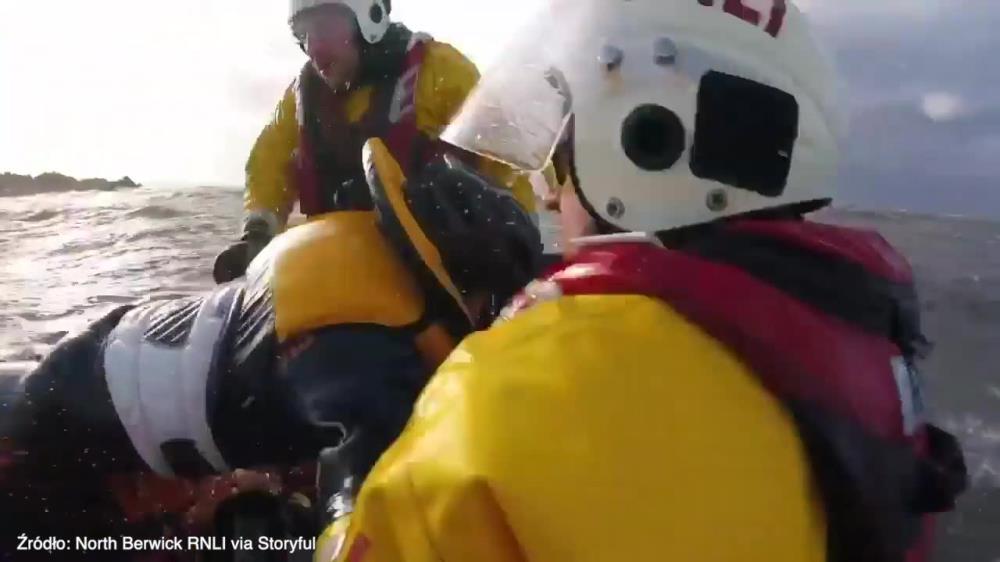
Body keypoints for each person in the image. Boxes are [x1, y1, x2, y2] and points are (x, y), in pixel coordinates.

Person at [314, 1, 969, 561]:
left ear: (646, 140)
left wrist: (352, 486)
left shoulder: (515, 391)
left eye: (560, 155)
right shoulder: (851, 335)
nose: (549, 194)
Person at [0, 139, 542, 556]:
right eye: (494, 306)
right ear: (464, 287)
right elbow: (354, 510)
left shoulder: (347, 253)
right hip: (74, 430)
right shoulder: (373, 361)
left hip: (99, 358)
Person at [213, 0, 536, 283]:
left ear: (370, 17)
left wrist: (518, 261)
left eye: (324, 29)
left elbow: (509, 163)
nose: (313, 48)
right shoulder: (301, 100)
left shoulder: (440, 71)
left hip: (433, 282)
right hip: (336, 277)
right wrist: (256, 234)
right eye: (303, 34)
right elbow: (268, 164)